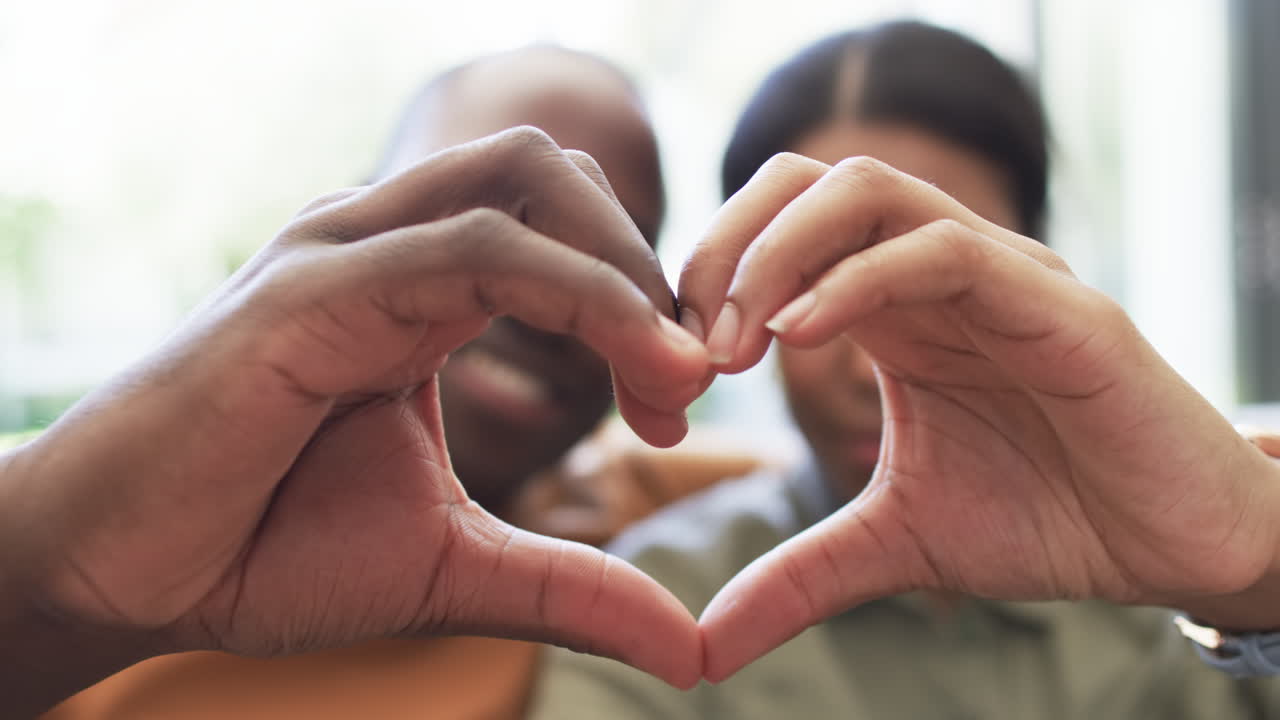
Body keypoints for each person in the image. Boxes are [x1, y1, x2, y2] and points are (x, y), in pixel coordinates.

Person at [7, 22, 1280, 720]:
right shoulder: (651, 593)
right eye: (473, 232)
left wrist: (1256, 561)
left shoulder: (1185, 597)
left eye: (925, 285)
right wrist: (46, 572)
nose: (526, 305)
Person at [528, 21, 1280, 718]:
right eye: (813, 283)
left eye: (944, 290)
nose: (873, 370)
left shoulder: (1174, 571)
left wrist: (1256, 562)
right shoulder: (663, 602)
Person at [37, 46, 759, 720]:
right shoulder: (97, 536)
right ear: (346, 217)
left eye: (614, 251)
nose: (547, 293)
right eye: (481, 218)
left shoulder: (680, 515)